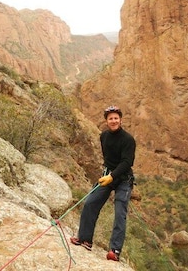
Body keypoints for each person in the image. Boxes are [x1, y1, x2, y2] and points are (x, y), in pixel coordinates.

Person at [70, 105, 136, 261]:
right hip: (108, 176)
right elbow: (108, 158)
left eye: (116, 118)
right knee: (91, 202)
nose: (113, 121)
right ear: (106, 121)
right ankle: (85, 239)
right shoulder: (104, 136)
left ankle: (115, 250)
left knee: (120, 213)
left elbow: (127, 162)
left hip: (123, 179)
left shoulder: (128, 140)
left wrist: (113, 176)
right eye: (110, 118)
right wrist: (107, 174)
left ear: (120, 120)